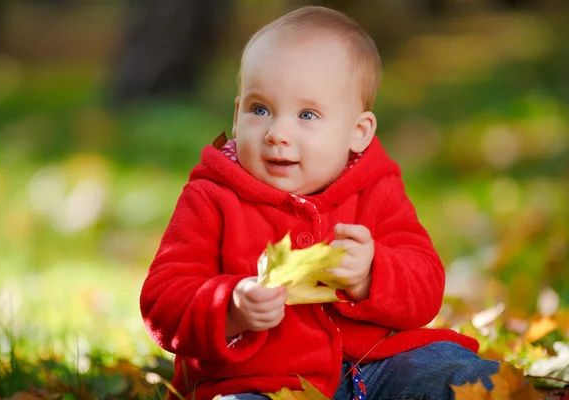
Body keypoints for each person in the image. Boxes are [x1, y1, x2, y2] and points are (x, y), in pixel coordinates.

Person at [140, 6, 499, 400]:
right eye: (259, 109)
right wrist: (230, 308)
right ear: (237, 115)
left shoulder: (375, 189)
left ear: (358, 132)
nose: (277, 133)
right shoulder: (212, 196)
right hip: (260, 382)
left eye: (307, 114)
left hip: (376, 365)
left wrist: (371, 274)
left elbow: (425, 285)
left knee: (455, 371)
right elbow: (162, 301)